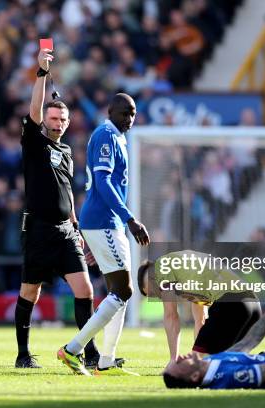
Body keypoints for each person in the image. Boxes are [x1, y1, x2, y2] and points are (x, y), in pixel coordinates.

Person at [15, 48, 99, 369]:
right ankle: (23, 355)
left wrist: (76, 228)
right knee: (30, 293)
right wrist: (40, 73)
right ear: (45, 120)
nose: (59, 122)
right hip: (38, 229)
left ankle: (89, 353)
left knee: (85, 288)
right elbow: (34, 109)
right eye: (54, 118)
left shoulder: (66, 151)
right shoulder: (35, 142)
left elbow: (67, 192)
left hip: (65, 230)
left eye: (63, 118)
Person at [57, 92, 150, 376]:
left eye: (133, 113)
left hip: (109, 224)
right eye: (124, 113)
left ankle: (106, 361)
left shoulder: (119, 137)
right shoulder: (105, 135)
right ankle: (73, 350)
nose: (129, 118)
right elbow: (103, 181)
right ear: (110, 111)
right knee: (124, 290)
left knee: (119, 292)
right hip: (104, 221)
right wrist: (129, 218)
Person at [137, 251, 261, 361]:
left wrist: (173, 360)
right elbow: (200, 320)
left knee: (193, 364)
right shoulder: (188, 273)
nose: (158, 297)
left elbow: (171, 316)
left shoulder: (160, 268)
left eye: (152, 293)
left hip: (232, 306)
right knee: (224, 361)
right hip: (253, 307)